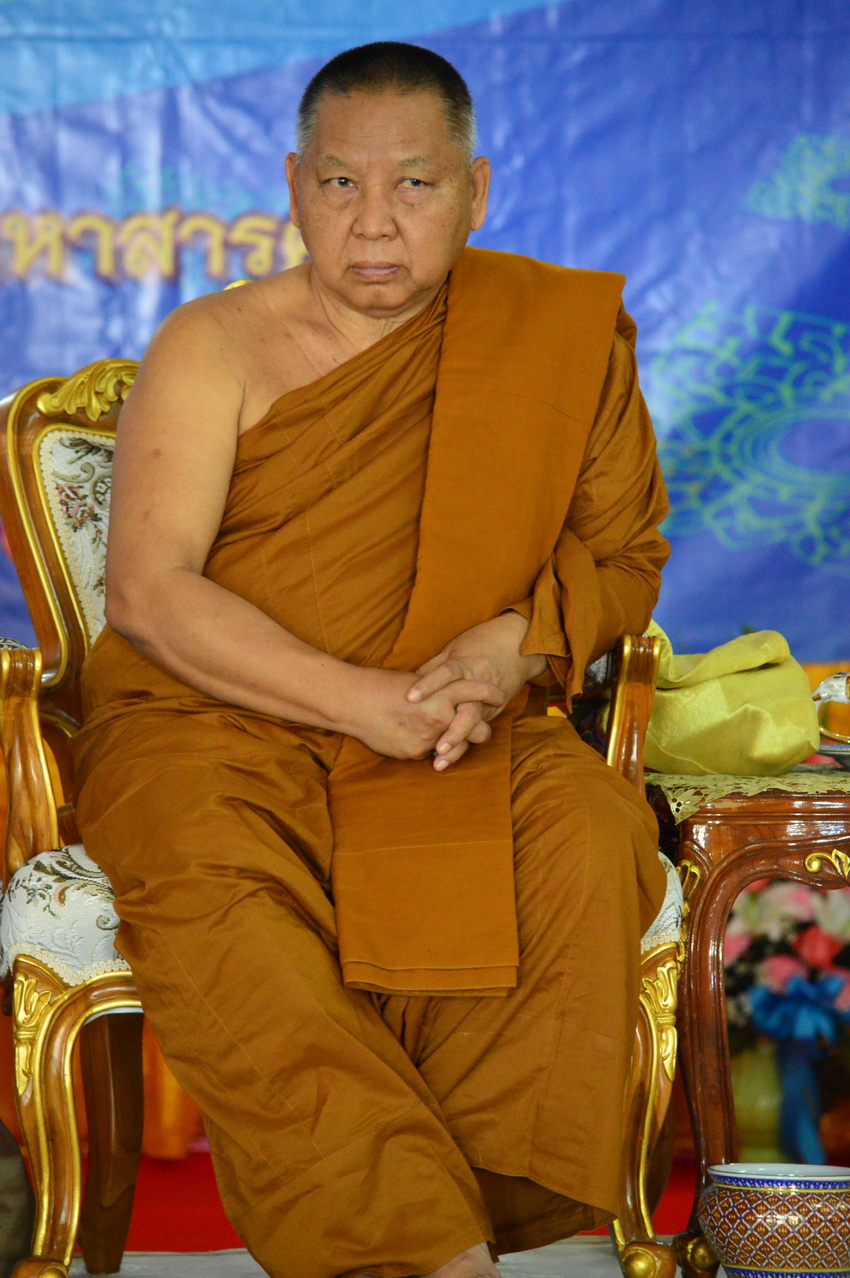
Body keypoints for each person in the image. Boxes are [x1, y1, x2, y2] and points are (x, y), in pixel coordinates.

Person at [72, 41, 670, 1278]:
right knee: (217, 889)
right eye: (342, 184)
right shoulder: (215, 344)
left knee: (584, 830)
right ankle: (425, 1252)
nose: (376, 223)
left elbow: (620, 554)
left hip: (458, 717)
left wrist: (513, 646)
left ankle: (461, 1212)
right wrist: (360, 702)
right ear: (295, 188)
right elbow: (148, 592)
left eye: (416, 185)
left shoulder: (554, 335)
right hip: (212, 723)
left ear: (476, 190)